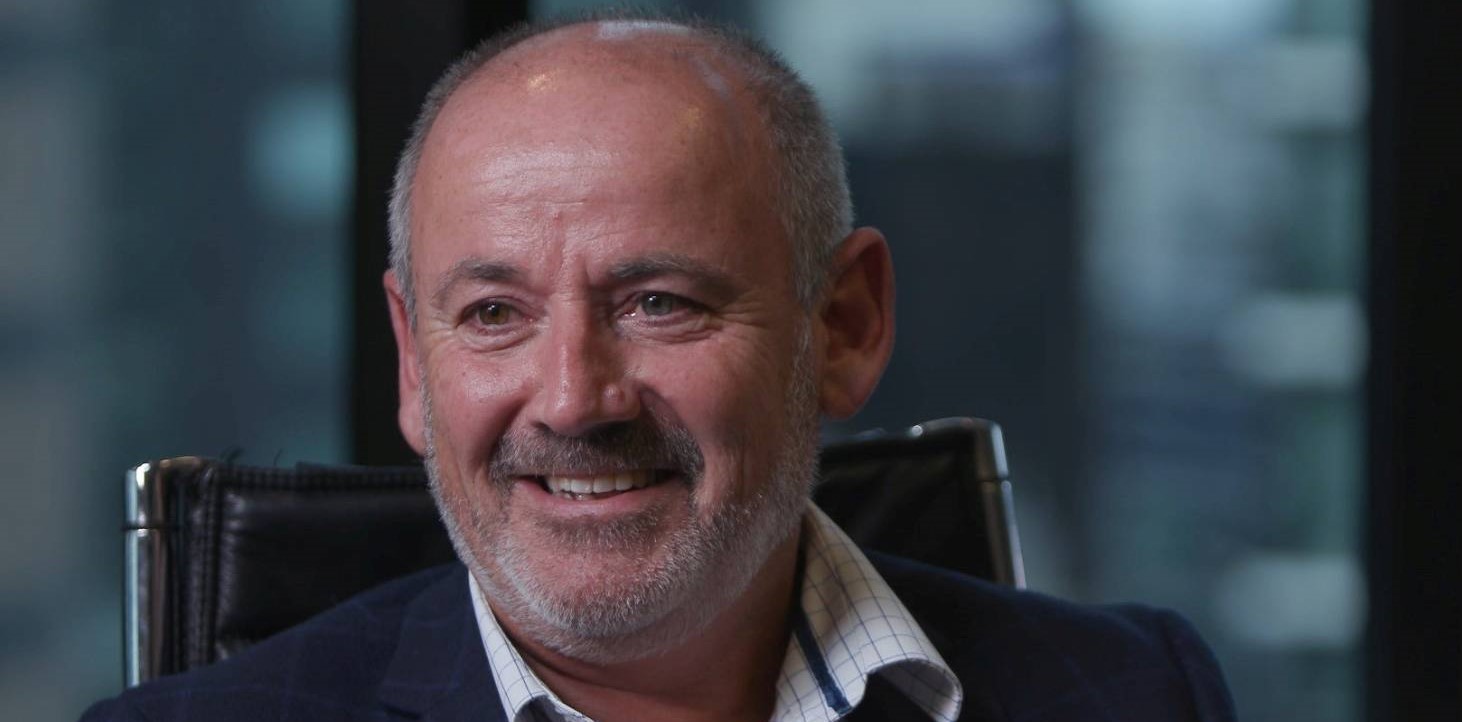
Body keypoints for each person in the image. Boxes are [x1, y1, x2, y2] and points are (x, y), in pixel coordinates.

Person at [82, 12, 1235, 722]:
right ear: (413, 363)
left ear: (843, 324)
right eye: (493, 312)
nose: (573, 397)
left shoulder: (1137, 694)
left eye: (657, 302)